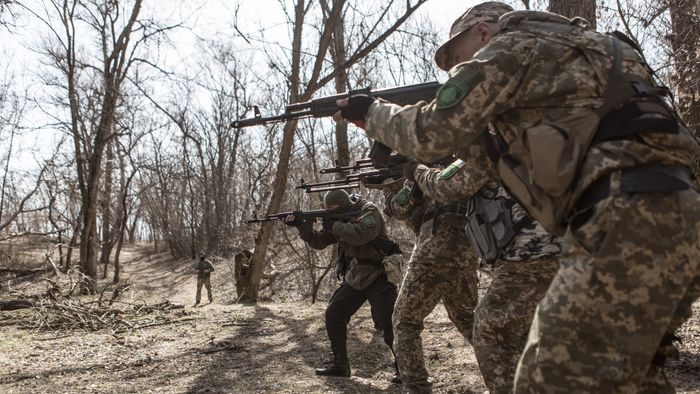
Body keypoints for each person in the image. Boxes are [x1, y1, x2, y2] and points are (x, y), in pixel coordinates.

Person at [334, 2, 700, 392]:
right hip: (675, 211)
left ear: (483, 33)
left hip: (617, 216)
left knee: (513, 349)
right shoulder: (600, 47)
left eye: (458, 59)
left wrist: (370, 112)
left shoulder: (510, 48)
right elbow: (514, 160)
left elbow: (430, 132)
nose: (457, 71)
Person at [407, 158, 560, 394]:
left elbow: (445, 187)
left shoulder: (489, 143)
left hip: (525, 258)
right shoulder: (537, 135)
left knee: (491, 333)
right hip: (558, 253)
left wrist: (415, 169)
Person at [375, 170, 479, 394]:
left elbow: (399, 209)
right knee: (471, 323)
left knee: (405, 322)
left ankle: (418, 388)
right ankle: (511, 377)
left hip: (430, 258)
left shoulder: (426, 174)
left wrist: (390, 186)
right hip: (466, 258)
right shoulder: (464, 171)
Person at [284, 189, 401, 382]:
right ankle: (340, 365)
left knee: (388, 322)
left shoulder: (368, 210)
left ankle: (404, 369)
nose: (329, 211)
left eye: (333, 208)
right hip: (357, 275)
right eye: (327, 208)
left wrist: (335, 225)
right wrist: (301, 226)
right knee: (334, 314)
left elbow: (362, 234)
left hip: (379, 273)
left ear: (343, 205)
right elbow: (320, 242)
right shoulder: (338, 219)